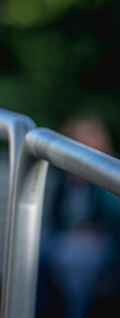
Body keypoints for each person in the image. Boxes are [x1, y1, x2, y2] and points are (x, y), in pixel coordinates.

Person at [37, 117, 120, 318]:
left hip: (102, 243)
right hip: (66, 238)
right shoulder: (64, 176)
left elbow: (112, 219)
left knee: (77, 260)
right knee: (35, 252)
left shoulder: (109, 170)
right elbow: (57, 217)